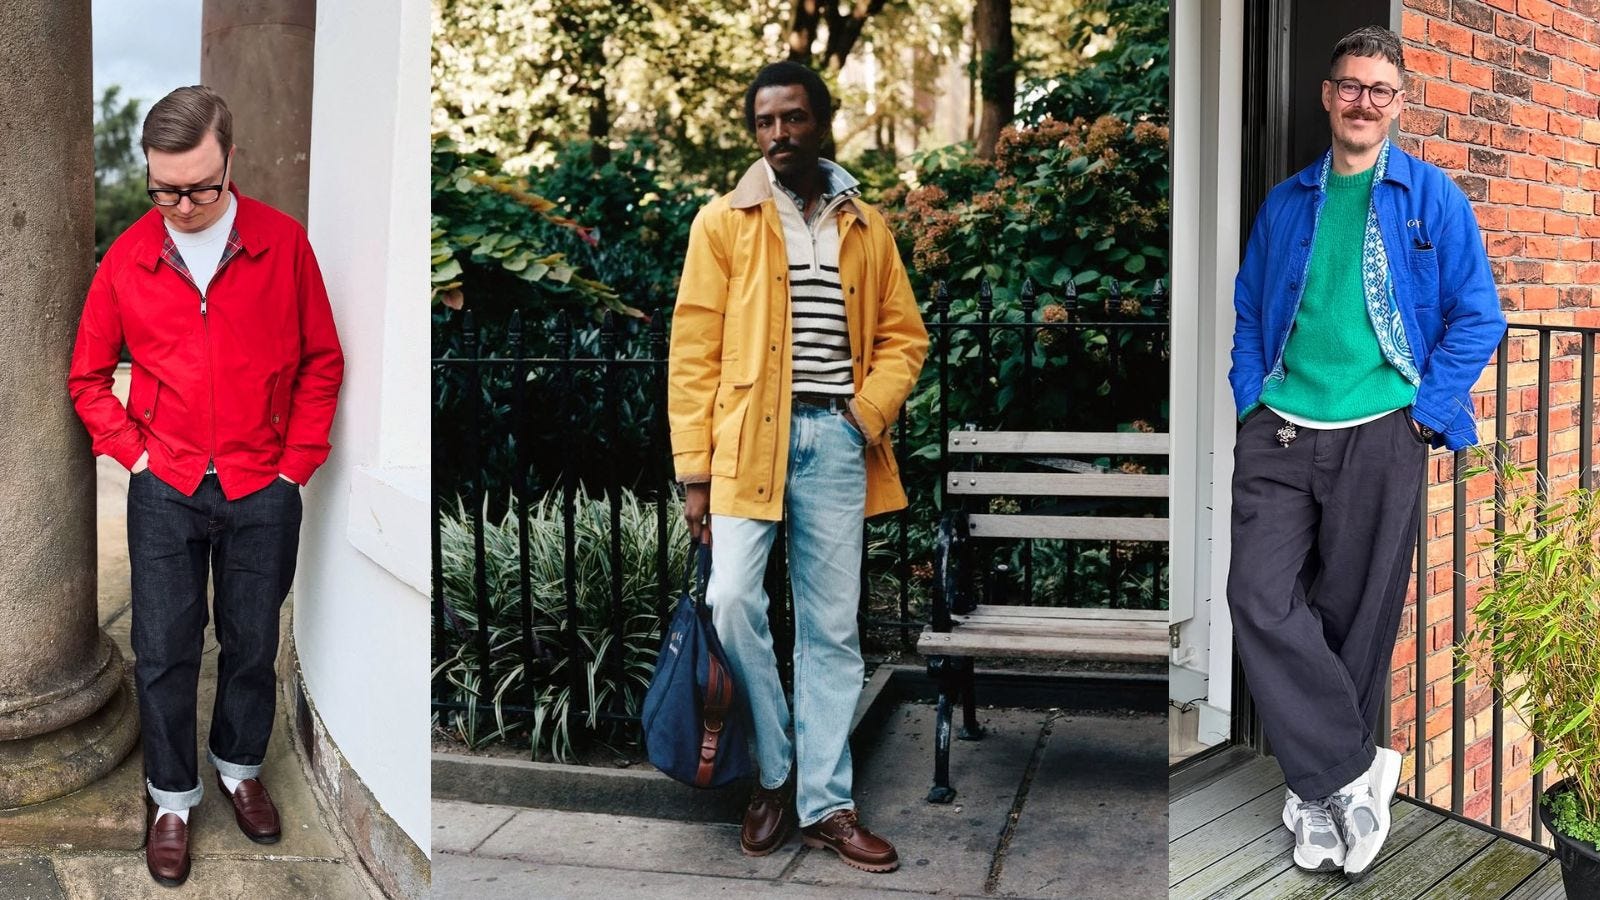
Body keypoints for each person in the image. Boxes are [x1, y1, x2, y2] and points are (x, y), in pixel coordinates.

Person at [1227, 26, 1506, 879]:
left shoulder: (1429, 198)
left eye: (1380, 90)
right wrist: (1249, 399)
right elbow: (1247, 312)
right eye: (1350, 85)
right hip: (1280, 427)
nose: (1363, 102)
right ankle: (1354, 768)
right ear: (1327, 94)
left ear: (1398, 101)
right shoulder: (1287, 202)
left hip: (1381, 432)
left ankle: (1315, 801)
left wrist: (1425, 413)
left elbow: (1478, 314)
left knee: (1354, 615)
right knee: (1259, 596)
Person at [67, 85, 344, 887]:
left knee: (254, 640)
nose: (181, 205)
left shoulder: (284, 245)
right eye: (165, 189)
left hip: (265, 484)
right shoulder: (127, 257)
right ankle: (173, 798)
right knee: (162, 650)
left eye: (199, 187)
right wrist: (134, 453)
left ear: (232, 162)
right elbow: (87, 377)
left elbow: (323, 362)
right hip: (167, 485)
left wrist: (297, 464)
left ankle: (238, 765)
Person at [667, 61, 927, 873]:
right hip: (749, 445)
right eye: (765, 122)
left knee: (831, 630)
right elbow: (694, 354)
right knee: (734, 597)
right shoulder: (725, 223)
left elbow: (904, 338)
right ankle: (774, 771)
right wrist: (694, 473)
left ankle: (826, 803)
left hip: (835, 442)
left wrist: (862, 416)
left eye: (793, 118)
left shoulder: (865, 225)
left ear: (820, 121)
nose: (779, 134)